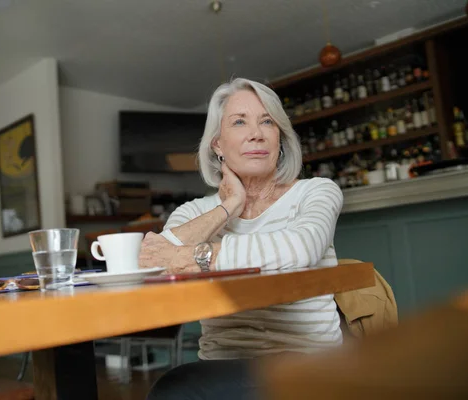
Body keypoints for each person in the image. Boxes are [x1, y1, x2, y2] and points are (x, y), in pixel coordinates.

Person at [139, 78, 344, 399]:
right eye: (239, 122)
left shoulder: (316, 191)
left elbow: (301, 248)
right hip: (222, 364)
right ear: (218, 144)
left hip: (306, 362)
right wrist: (228, 206)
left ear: (280, 138)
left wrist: (197, 257)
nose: (256, 133)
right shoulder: (197, 210)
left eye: (267, 122)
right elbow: (153, 261)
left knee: (173, 391)